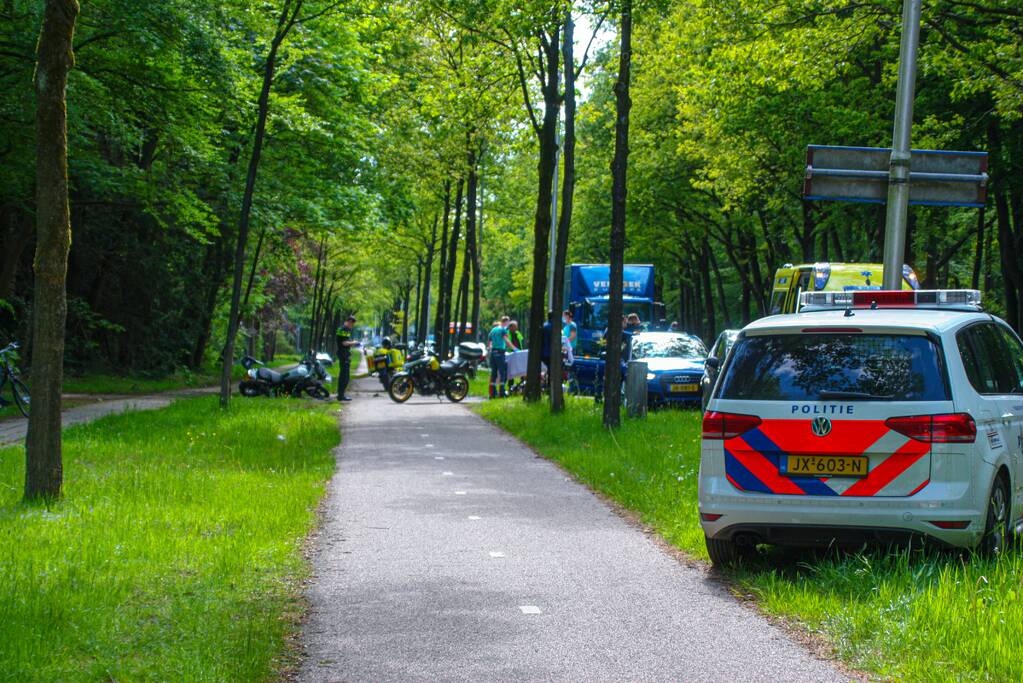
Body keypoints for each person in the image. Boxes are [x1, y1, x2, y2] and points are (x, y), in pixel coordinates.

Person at [336, 315, 359, 401]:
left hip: (346, 354)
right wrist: (354, 343)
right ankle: (340, 395)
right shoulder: (342, 329)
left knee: (346, 376)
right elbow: (344, 343)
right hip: (343, 354)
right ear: (349, 321)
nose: (352, 326)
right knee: (344, 376)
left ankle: (341, 394)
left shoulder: (346, 330)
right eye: (352, 324)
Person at [487, 318, 511, 398]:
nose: (508, 325)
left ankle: (492, 393)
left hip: (493, 353)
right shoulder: (503, 330)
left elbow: (489, 342)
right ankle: (502, 392)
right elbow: (506, 340)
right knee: (502, 372)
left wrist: (490, 349)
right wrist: (514, 348)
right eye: (508, 323)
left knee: (494, 373)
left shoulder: (493, 330)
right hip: (500, 353)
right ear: (505, 322)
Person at [506, 320, 525, 393]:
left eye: (516, 327)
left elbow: (520, 342)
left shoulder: (518, 333)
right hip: (511, 354)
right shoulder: (507, 333)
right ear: (510, 327)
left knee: (522, 368)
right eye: (514, 327)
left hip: (519, 353)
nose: (515, 328)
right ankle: (510, 385)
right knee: (511, 370)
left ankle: (523, 384)